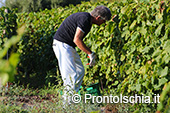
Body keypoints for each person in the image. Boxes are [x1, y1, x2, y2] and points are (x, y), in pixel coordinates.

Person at [52, 5, 111, 105]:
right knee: (70, 76)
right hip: (62, 45)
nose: (104, 23)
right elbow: (77, 39)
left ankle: (73, 99)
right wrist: (90, 53)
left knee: (79, 71)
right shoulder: (85, 20)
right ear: (98, 18)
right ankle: (67, 106)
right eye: (104, 21)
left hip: (68, 46)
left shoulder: (86, 19)